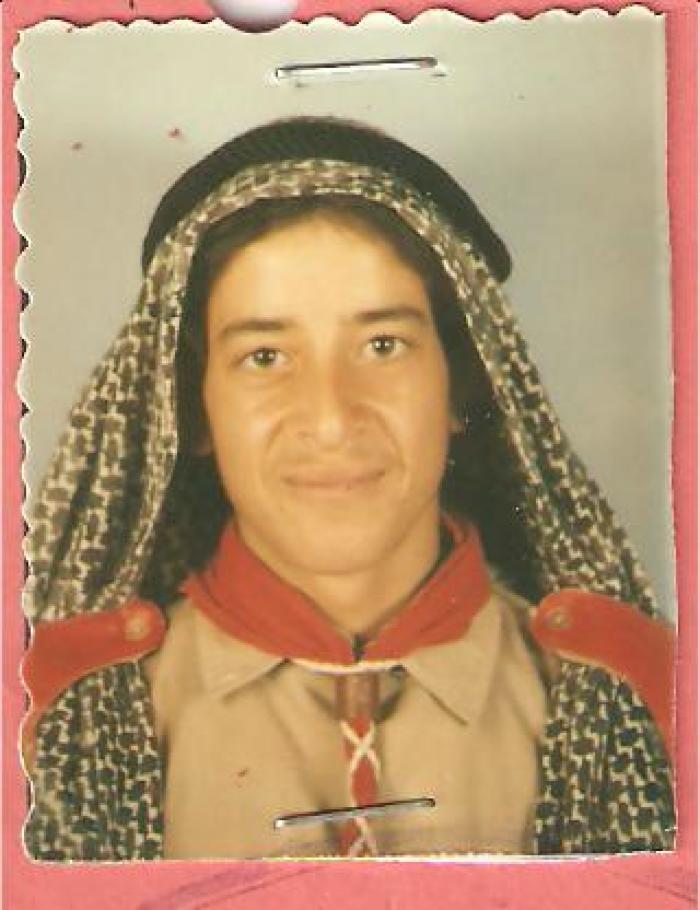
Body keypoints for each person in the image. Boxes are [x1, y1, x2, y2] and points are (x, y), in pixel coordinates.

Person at [22, 117, 675, 860]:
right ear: (191, 411)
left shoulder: (635, 707)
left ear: (462, 384)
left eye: (382, 346)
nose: (331, 419)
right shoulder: (59, 727)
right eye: (265, 356)